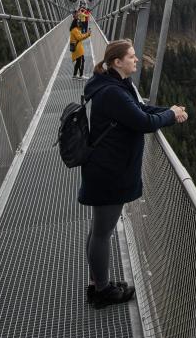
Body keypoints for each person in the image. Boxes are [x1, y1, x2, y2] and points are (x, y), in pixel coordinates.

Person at [80, 39, 188, 308]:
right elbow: (143, 122)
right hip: (109, 172)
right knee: (102, 231)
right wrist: (170, 116)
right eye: (131, 56)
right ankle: (102, 292)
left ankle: (98, 283)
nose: (137, 59)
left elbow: (140, 111)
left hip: (107, 168)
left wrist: (169, 111)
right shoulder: (112, 92)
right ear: (117, 62)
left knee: (99, 229)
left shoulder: (115, 85)